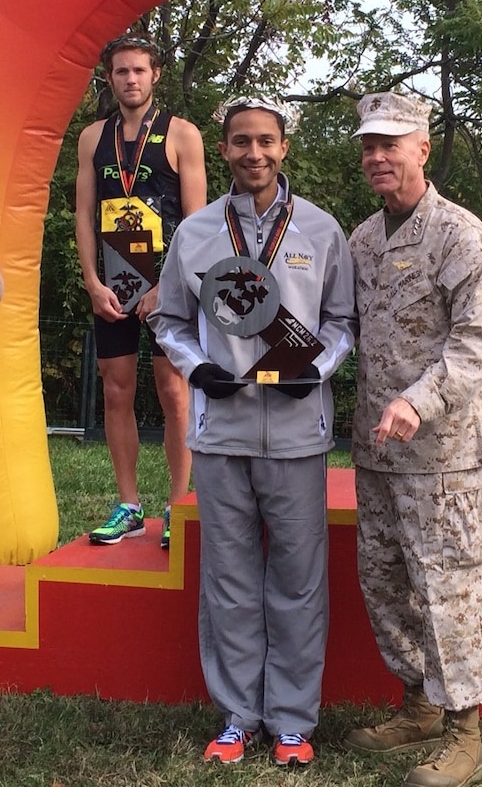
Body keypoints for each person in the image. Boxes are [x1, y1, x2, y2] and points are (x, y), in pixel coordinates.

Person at [150, 96, 355, 767]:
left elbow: (343, 324)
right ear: (225, 148)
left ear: (284, 147)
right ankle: (238, 716)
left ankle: (293, 721)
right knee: (230, 580)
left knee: (297, 581)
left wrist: (317, 369)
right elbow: (170, 322)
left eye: (265, 141)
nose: (254, 153)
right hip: (220, 432)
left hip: (297, 432)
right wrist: (197, 366)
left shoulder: (322, 231)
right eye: (241, 142)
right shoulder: (197, 232)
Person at [343, 93, 482, 787]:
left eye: (392, 143)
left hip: (441, 457)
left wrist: (420, 399)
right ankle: (417, 704)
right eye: (369, 146)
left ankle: (464, 729)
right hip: (377, 452)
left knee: (446, 588)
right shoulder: (362, 240)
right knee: (384, 582)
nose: (379, 157)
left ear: (423, 149)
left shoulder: (458, 236)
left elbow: (478, 340)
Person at [75, 32, 206, 548]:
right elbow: (83, 215)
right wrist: (90, 282)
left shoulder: (182, 134)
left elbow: (197, 224)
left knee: (175, 393)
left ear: (155, 75)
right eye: (121, 71)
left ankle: (179, 507)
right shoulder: (92, 137)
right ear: (110, 78)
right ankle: (129, 505)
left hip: (168, 286)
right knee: (115, 391)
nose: (130, 79)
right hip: (113, 282)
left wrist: (169, 287)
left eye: (139, 70)